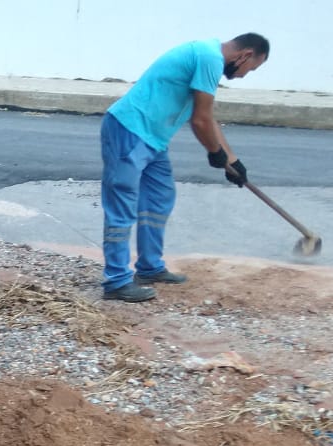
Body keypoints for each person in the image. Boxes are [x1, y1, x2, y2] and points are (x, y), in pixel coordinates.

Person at [99, 33, 269, 302]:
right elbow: (199, 120)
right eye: (252, 68)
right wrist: (215, 153)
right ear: (245, 55)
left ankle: (149, 267)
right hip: (129, 129)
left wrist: (232, 160)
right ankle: (116, 281)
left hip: (154, 138)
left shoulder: (207, 56)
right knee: (122, 204)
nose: (245, 75)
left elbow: (207, 117)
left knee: (159, 199)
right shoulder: (209, 57)